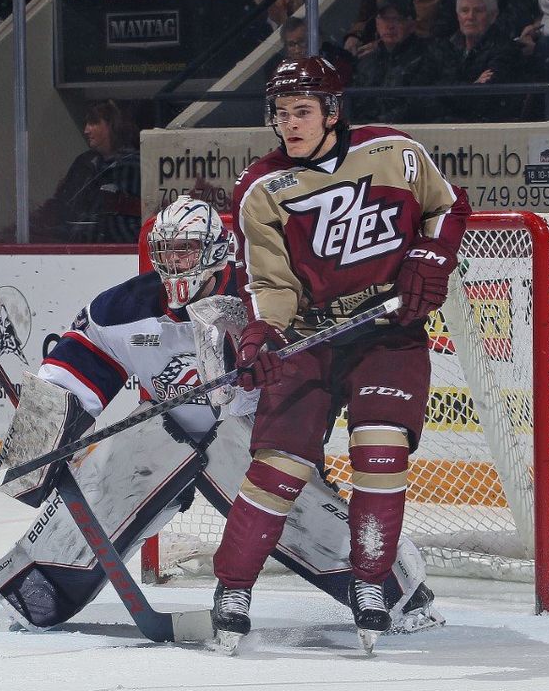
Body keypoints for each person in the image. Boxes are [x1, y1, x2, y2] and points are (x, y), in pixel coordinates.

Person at [0, 196, 442, 641]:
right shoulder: (121, 308)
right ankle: (37, 586)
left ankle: (400, 591)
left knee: (293, 509)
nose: (175, 263)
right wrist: (40, 438)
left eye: (186, 251)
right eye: (166, 251)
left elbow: (317, 372)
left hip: (255, 440)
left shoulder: (262, 295)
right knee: (110, 470)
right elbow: (74, 370)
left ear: (217, 253)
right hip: (169, 431)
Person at [211, 57, 470, 651]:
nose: (289, 125)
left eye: (302, 111)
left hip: (387, 330)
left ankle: (371, 583)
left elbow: (446, 207)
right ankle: (233, 588)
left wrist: (431, 258)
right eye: (280, 113)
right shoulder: (260, 189)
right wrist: (263, 337)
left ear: (332, 111)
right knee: (279, 469)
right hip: (311, 337)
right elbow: (272, 285)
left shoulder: (393, 152)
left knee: (381, 454)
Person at [31, 100, 141, 243]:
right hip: (81, 248)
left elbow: (129, 218)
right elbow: (65, 207)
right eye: (87, 123)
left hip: (122, 249)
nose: (86, 130)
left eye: (93, 123)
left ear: (111, 125)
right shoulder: (83, 163)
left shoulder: (134, 166)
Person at [350, 0, 456, 124]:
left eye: (397, 19)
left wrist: (384, 122)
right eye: (385, 19)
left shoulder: (429, 56)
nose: (390, 26)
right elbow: (354, 103)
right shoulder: (366, 63)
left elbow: (424, 103)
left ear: (411, 24)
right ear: (377, 23)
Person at [444, 0, 527, 122]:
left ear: (493, 15)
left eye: (478, 11)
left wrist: (455, 90)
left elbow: (484, 99)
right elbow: (436, 88)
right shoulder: (446, 47)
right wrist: (472, 85)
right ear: (458, 16)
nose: (470, 17)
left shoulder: (505, 50)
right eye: (465, 10)